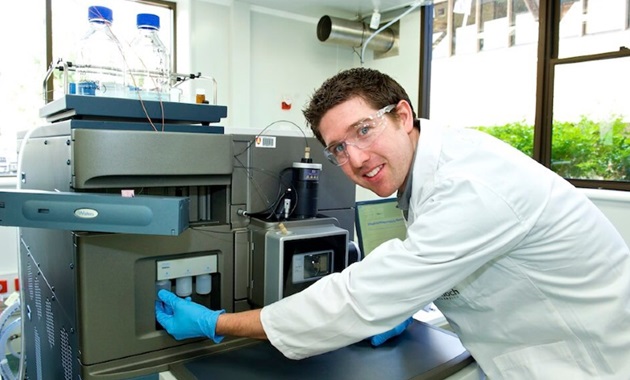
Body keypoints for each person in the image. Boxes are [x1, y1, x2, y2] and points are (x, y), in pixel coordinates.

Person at [156, 67, 630, 378]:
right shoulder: (429, 171)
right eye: (338, 148)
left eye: (363, 130)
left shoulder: (469, 184)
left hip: (588, 362)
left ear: (403, 115)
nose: (356, 159)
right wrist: (409, 299)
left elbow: (356, 297)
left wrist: (219, 322)